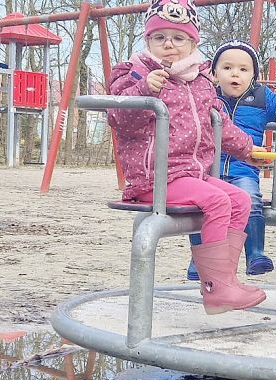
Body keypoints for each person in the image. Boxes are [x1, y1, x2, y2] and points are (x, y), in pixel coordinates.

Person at [107, 0, 267, 315]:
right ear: (147, 41)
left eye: (178, 38)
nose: (169, 45)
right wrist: (143, 91)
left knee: (240, 200)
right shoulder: (135, 73)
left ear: (193, 43)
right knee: (219, 202)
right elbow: (120, 119)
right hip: (155, 177)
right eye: (160, 38)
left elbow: (220, 122)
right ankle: (216, 289)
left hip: (191, 175)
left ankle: (225, 281)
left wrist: (249, 149)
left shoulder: (200, 81)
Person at [186, 40, 276, 281]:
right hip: (207, 169)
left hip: (243, 169)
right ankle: (200, 260)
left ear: (253, 75)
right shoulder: (205, 95)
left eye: (243, 69)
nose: (235, 74)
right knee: (202, 208)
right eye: (227, 68)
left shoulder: (262, 97)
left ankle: (255, 253)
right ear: (214, 73)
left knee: (250, 199)